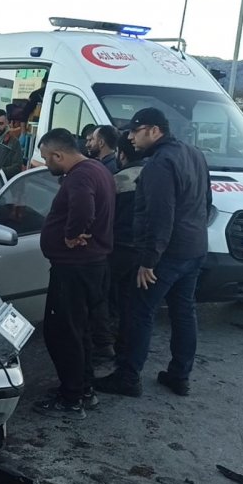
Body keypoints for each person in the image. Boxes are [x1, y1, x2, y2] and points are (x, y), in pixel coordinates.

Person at [95, 108, 211, 398]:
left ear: (154, 130)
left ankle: (128, 377)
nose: (130, 138)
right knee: (184, 312)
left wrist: (148, 261)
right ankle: (179, 375)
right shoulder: (194, 153)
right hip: (194, 249)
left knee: (138, 312)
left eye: (135, 131)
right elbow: (206, 201)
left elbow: (160, 216)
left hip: (166, 255)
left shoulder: (160, 164)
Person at [32, 128, 115, 420]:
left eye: (46, 158)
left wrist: (71, 234)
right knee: (81, 331)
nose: (46, 164)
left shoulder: (79, 176)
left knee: (62, 333)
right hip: (92, 265)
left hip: (74, 268)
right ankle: (84, 391)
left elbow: (82, 206)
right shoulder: (98, 169)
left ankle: (70, 399)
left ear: (58, 155)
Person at [107, 131, 145, 357]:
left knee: (113, 303)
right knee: (135, 305)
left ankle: (114, 349)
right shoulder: (155, 173)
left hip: (119, 249)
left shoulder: (119, 180)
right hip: (145, 252)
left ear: (121, 154)